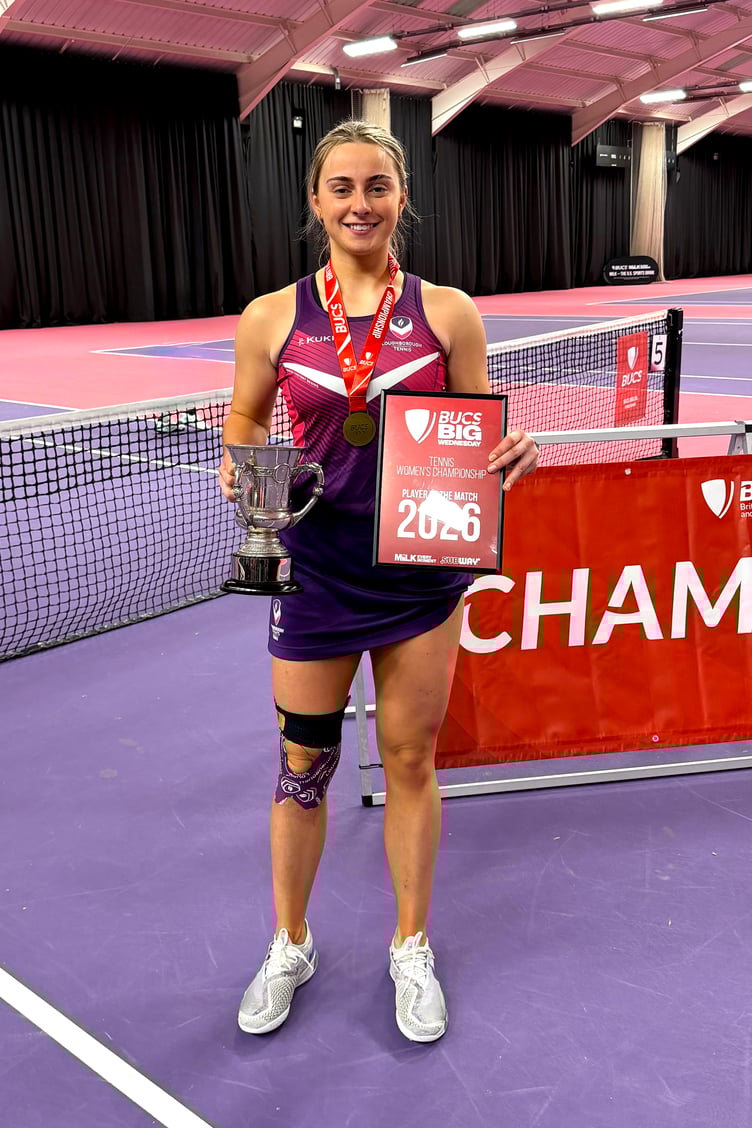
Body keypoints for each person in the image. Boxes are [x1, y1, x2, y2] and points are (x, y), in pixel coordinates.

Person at [219, 120, 538, 1043]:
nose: (361, 204)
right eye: (343, 188)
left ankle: (410, 944)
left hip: (418, 577)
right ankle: (290, 941)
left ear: (402, 199)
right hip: (312, 573)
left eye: (378, 187)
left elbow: (476, 427)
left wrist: (509, 451)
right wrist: (246, 471)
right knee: (303, 767)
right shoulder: (272, 316)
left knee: (409, 760)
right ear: (315, 203)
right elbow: (243, 419)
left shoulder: (449, 313)